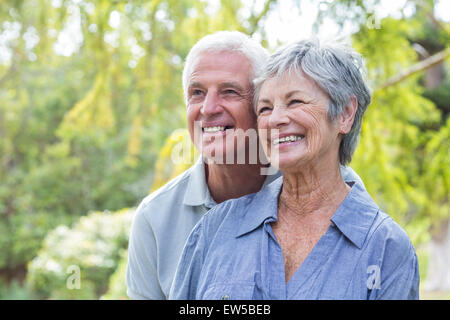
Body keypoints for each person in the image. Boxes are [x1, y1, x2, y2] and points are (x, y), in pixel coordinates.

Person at [169, 39, 419, 300]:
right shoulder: (217, 228)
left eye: (295, 101)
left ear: (345, 114)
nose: (275, 119)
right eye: (265, 108)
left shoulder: (386, 248)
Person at [126, 32, 365, 300]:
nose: (208, 108)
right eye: (197, 93)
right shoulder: (154, 218)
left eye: (229, 92)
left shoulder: (337, 189)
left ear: (262, 106)